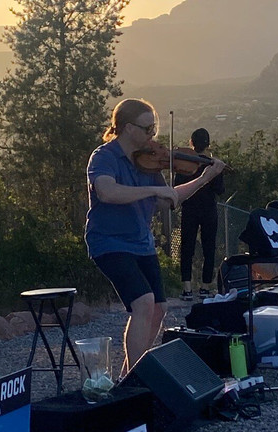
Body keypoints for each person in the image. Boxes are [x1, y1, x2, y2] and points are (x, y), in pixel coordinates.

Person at [86, 98, 225, 375]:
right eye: (147, 128)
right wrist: (152, 190)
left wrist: (204, 178)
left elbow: (167, 199)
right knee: (143, 303)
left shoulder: (147, 160)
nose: (153, 135)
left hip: (140, 242)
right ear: (127, 128)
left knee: (159, 308)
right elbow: (107, 192)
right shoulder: (104, 157)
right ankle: (138, 378)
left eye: (154, 128)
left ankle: (129, 375)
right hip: (109, 241)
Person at [176, 128, 225, 301]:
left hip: (189, 209)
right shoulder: (213, 165)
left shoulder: (184, 163)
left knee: (187, 248)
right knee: (209, 248)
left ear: (191, 142)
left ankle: (187, 289)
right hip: (208, 210)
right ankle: (205, 287)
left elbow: (177, 186)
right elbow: (220, 190)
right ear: (208, 144)